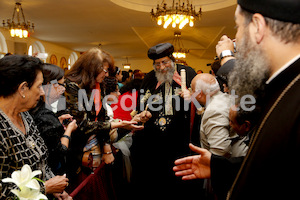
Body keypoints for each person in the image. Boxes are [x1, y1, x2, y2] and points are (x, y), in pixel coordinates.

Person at [174, 0, 300, 199]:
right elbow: (271, 168)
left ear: (257, 27)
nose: (236, 40)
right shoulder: (282, 85)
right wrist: (220, 166)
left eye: (238, 27)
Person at [63, 48, 149, 199]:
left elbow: (102, 117)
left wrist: (107, 147)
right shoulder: (72, 86)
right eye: (105, 70)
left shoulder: (98, 85)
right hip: (78, 151)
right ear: (92, 68)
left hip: (97, 148)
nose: (107, 74)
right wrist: (116, 125)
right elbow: (81, 125)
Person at [131, 43, 202, 199]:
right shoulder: (149, 78)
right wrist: (143, 114)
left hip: (181, 139)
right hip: (153, 142)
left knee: (179, 182)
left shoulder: (188, 73)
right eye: (157, 64)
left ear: (172, 59)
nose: (162, 67)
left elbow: (203, 102)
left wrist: (192, 97)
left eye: (165, 62)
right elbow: (140, 105)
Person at [0, 55, 70, 200]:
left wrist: (56, 191)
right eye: (39, 86)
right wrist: (46, 187)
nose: (43, 92)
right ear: (23, 89)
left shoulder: (25, 115)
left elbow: (41, 161)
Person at [29, 63, 78, 175]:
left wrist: (57, 122)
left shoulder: (38, 108)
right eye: (60, 85)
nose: (63, 89)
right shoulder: (44, 114)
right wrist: (69, 130)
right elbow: (61, 150)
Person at [191, 73, 248, 157]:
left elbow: (220, 150)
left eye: (192, 90)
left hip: (230, 165)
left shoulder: (213, 111)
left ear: (199, 94)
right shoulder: (225, 97)